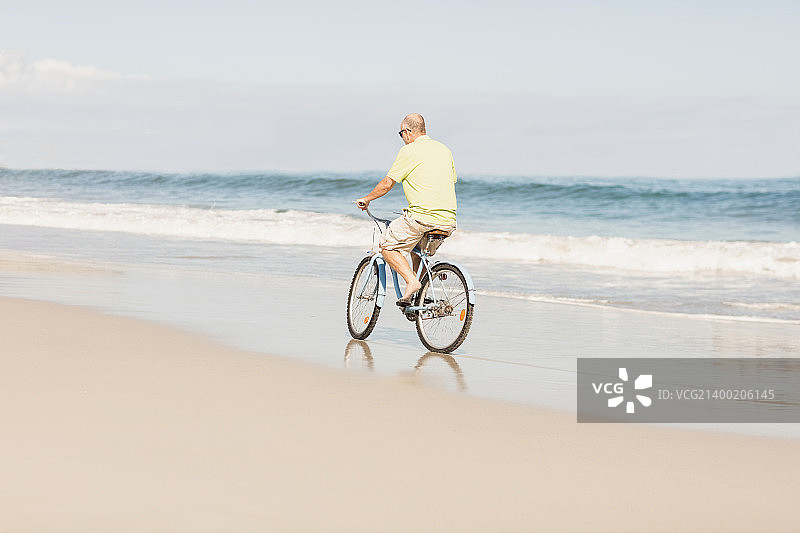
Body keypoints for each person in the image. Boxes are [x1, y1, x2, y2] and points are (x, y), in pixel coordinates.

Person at [355, 113, 457, 306]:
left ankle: (412, 282)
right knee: (417, 250)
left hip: (421, 217)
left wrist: (367, 199)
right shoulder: (445, 150)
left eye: (401, 134)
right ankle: (422, 295)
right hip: (448, 221)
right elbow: (448, 181)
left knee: (387, 246)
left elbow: (387, 183)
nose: (402, 138)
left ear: (408, 132)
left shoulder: (409, 151)